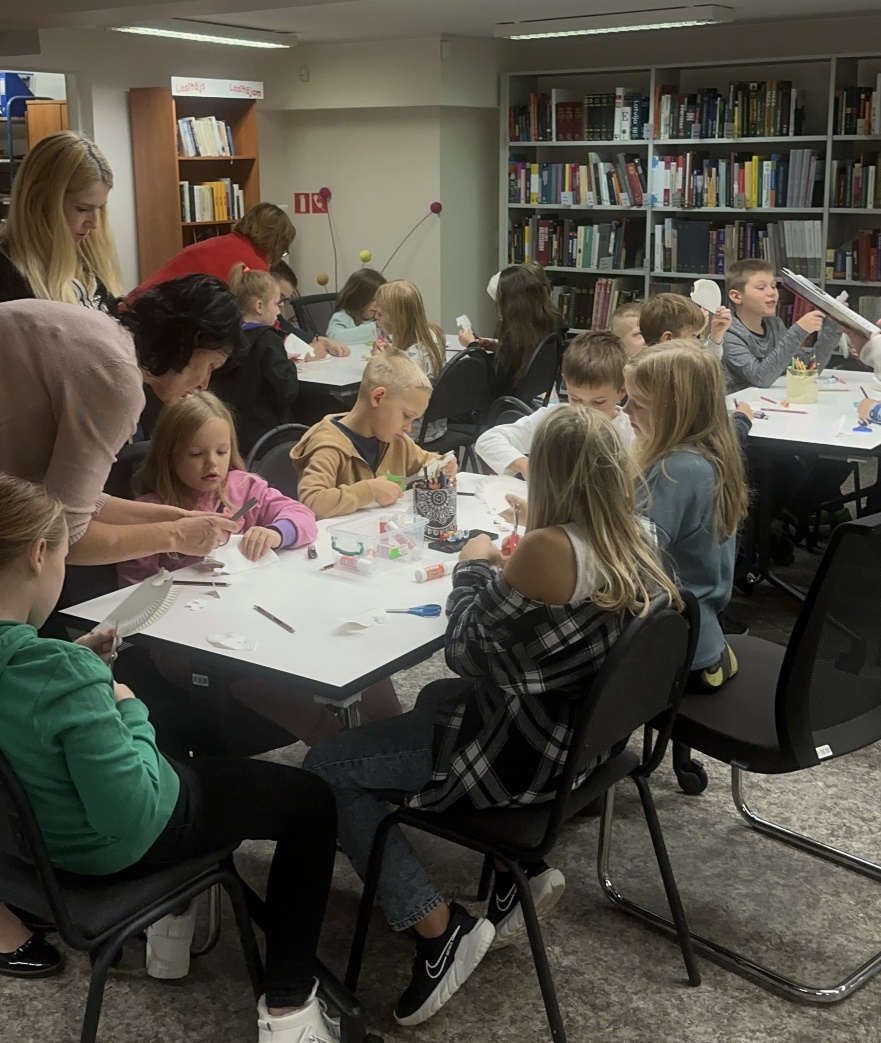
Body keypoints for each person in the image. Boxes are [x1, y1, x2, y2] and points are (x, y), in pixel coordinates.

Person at [304, 406, 681, 1027]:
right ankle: (513, 873)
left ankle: (438, 928)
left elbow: (464, 650)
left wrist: (475, 565)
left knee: (323, 769)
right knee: (428, 703)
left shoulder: (548, 547)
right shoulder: (637, 538)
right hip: (584, 746)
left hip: (518, 753)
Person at [0, 474, 340, 1042]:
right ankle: (289, 1007)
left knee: (191, 736)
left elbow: (32, 709)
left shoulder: (49, 668)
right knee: (311, 802)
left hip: (31, 848)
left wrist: (81, 675)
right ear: (39, 555)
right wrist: (127, 709)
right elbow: (130, 816)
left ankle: (172, 933)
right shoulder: (62, 672)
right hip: (112, 849)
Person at [0, 276, 243, 568]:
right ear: (191, 342)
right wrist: (176, 536)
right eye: (211, 366)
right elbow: (63, 538)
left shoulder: (103, 335)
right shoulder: (117, 380)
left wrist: (176, 517)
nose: (205, 383)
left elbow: (72, 503)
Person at [623, 343, 749, 692]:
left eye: (639, 403)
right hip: (704, 639)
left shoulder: (675, 471)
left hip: (676, 650)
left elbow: (625, 558)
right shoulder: (707, 458)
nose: (625, 409)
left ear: (675, 412)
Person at [291, 354, 456, 520]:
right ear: (378, 398)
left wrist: (442, 465)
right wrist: (369, 491)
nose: (408, 427)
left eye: (414, 420)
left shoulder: (394, 439)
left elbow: (427, 460)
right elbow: (311, 502)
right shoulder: (328, 446)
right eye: (406, 415)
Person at [475, 331, 634, 478]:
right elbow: (488, 440)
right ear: (566, 383)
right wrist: (526, 466)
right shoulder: (554, 417)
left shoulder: (631, 432)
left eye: (598, 402)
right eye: (576, 399)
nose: (584, 412)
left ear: (622, 390)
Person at [0, 130, 122, 308]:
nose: (94, 223)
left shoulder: (88, 261)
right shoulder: (7, 274)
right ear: (40, 201)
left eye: (100, 208)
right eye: (82, 209)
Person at [211, 264, 316, 456]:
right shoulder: (268, 340)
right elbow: (287, 392)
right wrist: (288, 365)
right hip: (270, 437)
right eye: (276, 304)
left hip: (235, 435)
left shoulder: (227, 338)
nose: (278, 312)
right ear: (259, 306)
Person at [722, 259, 840, 392]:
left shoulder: (775, 325)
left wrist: (834, 328)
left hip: (770, 400)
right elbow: (760, 378)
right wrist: (798, 331)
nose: (771, 292)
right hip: (740, 405)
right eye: (761, 288)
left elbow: (806, 368)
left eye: (773, 286)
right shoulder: (728, 334)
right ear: (736, 297)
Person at [131, 202, 296, 298]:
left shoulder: (219, 244)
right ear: (277, 243)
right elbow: (262, 323)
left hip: (135, 309)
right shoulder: (254, 266)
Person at [458, 264, 559, 400]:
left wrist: (472, 346)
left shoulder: (513, 336)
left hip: (502, 405)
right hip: (526, 400)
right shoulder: (546, 324)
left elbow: (489, 380)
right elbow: (514, 358)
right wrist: (494, 346)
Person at [372, 279, 448, 442]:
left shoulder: (409, 359)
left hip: (411, 430)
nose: (376, 318)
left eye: (380, 314)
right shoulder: (433, 334)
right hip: (435, 426)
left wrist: (379, 363)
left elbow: (390, 394)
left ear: (395, 317)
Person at [639, 292, 729, 356]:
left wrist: (716, 336)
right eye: (693, 336)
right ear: (668, 339)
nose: (697, 343)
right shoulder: (679, 374)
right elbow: (704, 368)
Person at [326, 268, 386, 342]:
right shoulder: (342, 317)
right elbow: (334, 339)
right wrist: (375, 327)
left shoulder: (378, 318)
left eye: (380, 300)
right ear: (357, 297)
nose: (376, 305)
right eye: (372, 299)